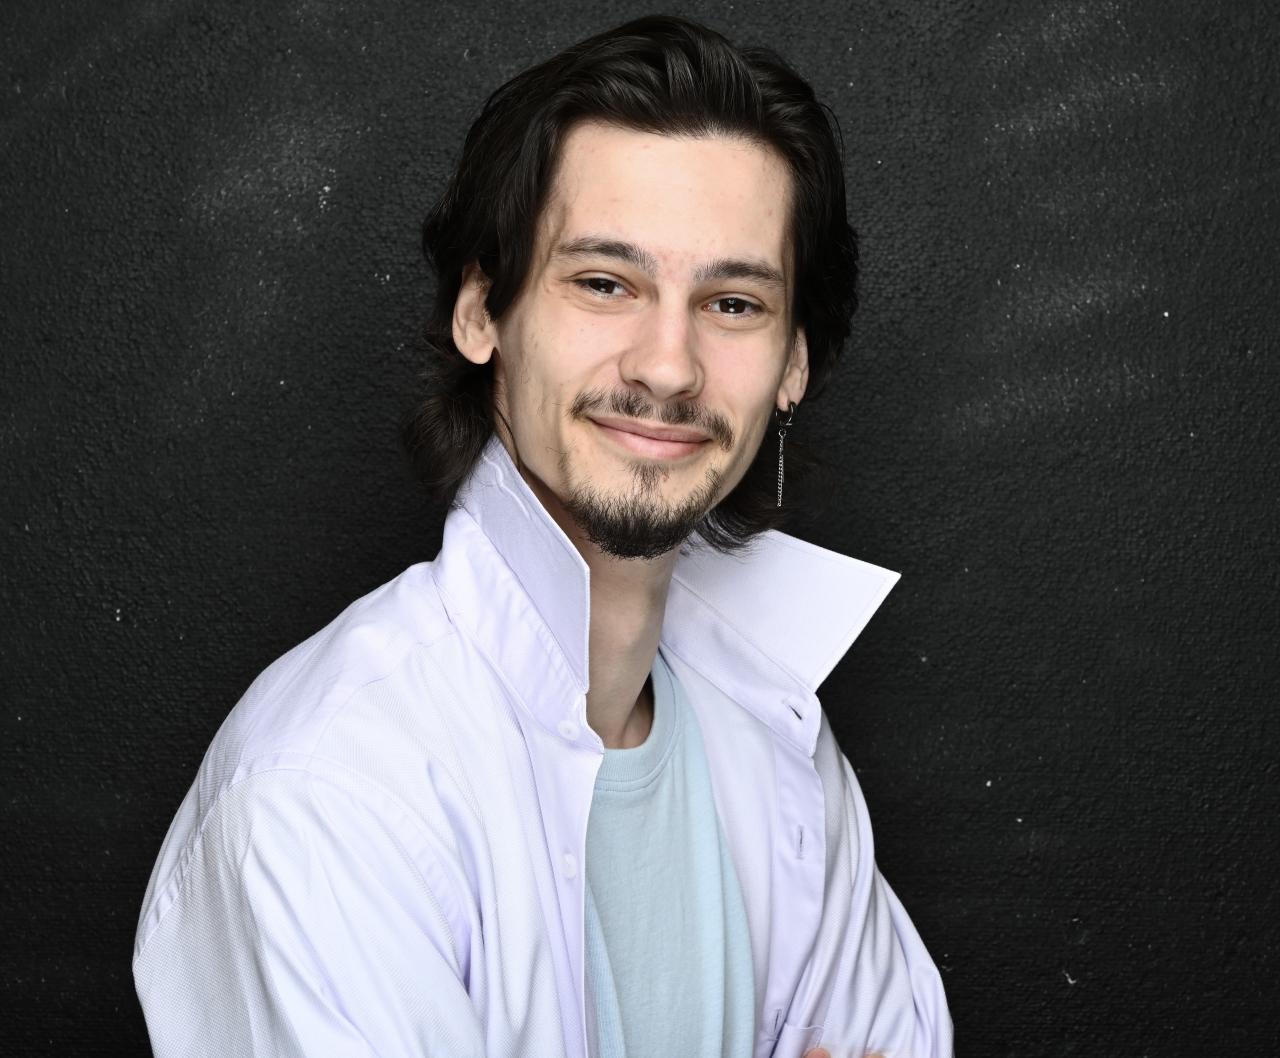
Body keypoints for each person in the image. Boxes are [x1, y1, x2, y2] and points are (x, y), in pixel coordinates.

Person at [133, 14, 952, 1058]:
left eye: (733, 302)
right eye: (605, 283)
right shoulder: (327, 787)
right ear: (482, 310)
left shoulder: (779, 731)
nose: (668, 365)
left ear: (792, 362)